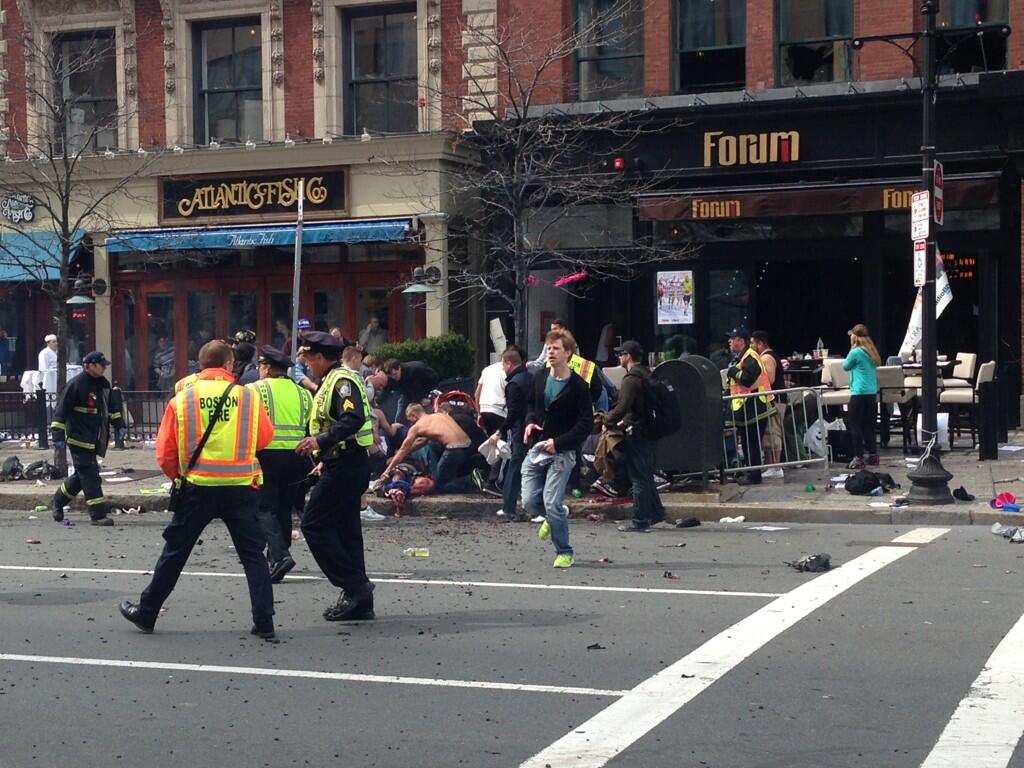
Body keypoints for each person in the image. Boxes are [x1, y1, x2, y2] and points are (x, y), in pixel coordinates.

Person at [118, 340, 279, 642]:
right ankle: (264, 621)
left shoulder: (182, 399)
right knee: (253, 556)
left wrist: (180, 475)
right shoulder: (248, 397)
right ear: (229, 365)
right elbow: (264, 439)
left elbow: (165, 452)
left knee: (176, 551)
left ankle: (148, 612)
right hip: (240, 488)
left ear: (200, 365)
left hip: (198, 488)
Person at [295, 331, 377, 622]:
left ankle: (354, 585)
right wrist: (322, 457)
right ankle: (360, 600)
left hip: (347, 465)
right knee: (346, 531)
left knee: (313, 524)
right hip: (341, 463)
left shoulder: (341, 381)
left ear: (319, 357)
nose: (305, 363)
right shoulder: (330, 380)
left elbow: (352, 419)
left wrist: (320, 442)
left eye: (307, 358)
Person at [522, 328, 592, 568]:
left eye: (556, 349)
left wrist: (558, 442)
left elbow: (585, 424)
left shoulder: (579, 386)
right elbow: (531, 405)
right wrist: (530, 422)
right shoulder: (540, 377)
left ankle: (564, 551)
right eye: (549, 348)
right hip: (538, 447)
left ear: (568, 353)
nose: (550, 352)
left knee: (550, 503)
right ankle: (556, 514)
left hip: (563, 452)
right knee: (530, 502)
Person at [247, 345, 314, 583]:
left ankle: (279, 555)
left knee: (263, 508)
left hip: (266, 455)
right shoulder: (303, 393)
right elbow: (310, 427)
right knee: (284, 507)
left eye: (261, 367)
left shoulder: (253, 390)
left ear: (266, 367)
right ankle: (276, 559)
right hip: (297, 457)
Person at [49, 351, 124, 526]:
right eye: (101, 364)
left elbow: (111, 408)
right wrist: (57, 434)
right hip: (78, 438)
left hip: (94, 439)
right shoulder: (76, 385)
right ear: (89, 365)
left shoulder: (103, 384)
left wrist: (119, 424)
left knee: (80, 476)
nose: (105, 367)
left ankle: (58, 501)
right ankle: (98, 515)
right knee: (91, 475)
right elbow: (61, 411)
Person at [601, 341, 667, 532]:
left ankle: (640, 521)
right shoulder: (646, 373)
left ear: (628, 356)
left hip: (638, 433)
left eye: (620, 354)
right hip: (648, 429)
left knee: (638, 477)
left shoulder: (631, 379)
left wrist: (608, 420)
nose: (619, 358)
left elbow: (623, 406)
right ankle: (657, 514)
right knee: (645, 475)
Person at [381, 404, 484, 494]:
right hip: (468, 446)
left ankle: (471, 479)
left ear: (414, 415)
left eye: (409, 419)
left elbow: (402, 451)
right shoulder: (440, 415)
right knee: (432, 444)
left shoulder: (417, 427)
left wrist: (387, 471)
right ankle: (440, 474)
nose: (410, 423)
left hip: (453, 449)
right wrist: (409, 451)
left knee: (439, 486)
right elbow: (423, 442)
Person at [726, 327, 775, 485]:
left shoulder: (750, 357)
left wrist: (732, 372)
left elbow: (747, 379)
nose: (729, 341)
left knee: (752, 443)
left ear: (741, 341)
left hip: (756, 406)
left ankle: (754, 475)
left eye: (732, 339)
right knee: (747, 443)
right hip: (747, 408)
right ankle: (750, 472)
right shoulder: (741, 358)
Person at [341, 343, 385, 522]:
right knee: (361, 472)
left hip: (355, 433)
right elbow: (365, 399)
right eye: (359, 360)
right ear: (353, 359)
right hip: (357, 435)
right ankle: (362, 508)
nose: (361, 364)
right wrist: (370, 384)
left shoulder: (341, 375)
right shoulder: (352, 376)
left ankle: (356, 507)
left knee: (355, 473)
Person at [498, 347, 531, 521]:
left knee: (514, 466)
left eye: (503, 364)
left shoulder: (514, 384)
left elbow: (513, 414)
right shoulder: (530, 378)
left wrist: (499, 431)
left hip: (520, 429)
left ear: (509, 364)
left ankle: (508, 507)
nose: (502, 367)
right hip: (532, 427)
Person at [844, 323, 881, 469]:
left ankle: (858, 457)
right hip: (871, 393)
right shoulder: (871, 351)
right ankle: (873, 455)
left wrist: (852, 348)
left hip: (859, 393)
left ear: (854, 336)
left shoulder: (856, 352)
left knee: (855, 425)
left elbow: (846, 366)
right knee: (868, 426)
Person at [751, 330, 785, 479]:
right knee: (767, 433)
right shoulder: (765, 357)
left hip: (774, 400)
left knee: (773, 432)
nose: (751, 346)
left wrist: (750, 384)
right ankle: (771, 465)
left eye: (752, 342)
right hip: (770, 400)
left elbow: (769, 379)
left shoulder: (766, 357)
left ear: (760, 343)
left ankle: (776, 467)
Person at [475, 358, 508, 492]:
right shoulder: (507, 371)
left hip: (485, 409)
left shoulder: (487, 369)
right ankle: (494, 482)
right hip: (500, 410)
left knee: (494, 444)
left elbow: (477, 393)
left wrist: (479, 413)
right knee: (503, 445)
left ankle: (490, 477)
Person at [291, 319, 318, 392]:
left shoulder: (313, 341)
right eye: (302, 329)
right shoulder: (291, 342)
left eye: (307, 329)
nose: (305, 332)